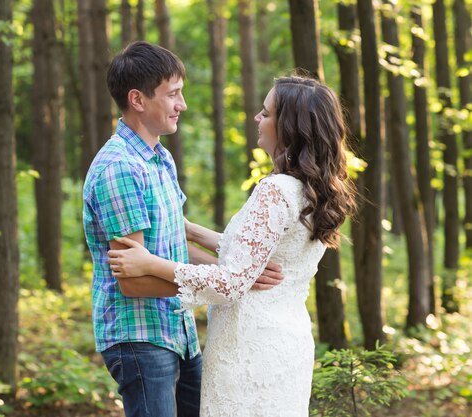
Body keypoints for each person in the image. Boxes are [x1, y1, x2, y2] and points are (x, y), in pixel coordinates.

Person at [107, 74, 357, 416]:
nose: (257, 118)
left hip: (249, 345)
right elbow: (259, 252)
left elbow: (230, 284)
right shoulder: (313, 190)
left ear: (290, 127)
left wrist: (150, 264)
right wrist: (193, 231)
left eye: (266, 113)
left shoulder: (274, 190)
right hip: (289, 340)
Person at [82, 41, 284, 417]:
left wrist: (237, 272)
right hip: (140, 335)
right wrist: (228, 284)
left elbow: (173, 244)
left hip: (177, 330)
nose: (183, 104)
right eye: (173, 94)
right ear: (138, 100)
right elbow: (134, 279)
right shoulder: (120, 168)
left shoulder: (160, 158)